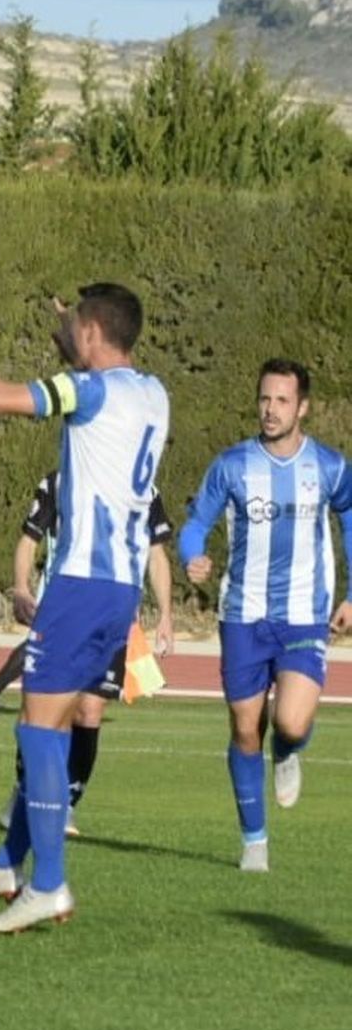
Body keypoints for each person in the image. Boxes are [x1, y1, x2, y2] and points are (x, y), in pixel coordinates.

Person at [0, 285, 169, 933]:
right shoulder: (153, 393)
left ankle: (48, 884)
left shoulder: (88, 392)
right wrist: (62, 328)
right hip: (119, 588)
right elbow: (85, 368)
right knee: (59, 724)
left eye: (75, 325)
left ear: (93, 331)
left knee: (36, 729)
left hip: (79, 582)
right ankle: (8, 863)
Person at [177, 359, 352, 872]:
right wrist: (193, 556)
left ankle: (291, 748)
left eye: (281, 401)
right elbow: (196, 524)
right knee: (245, 729)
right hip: (243, 615)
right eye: (264, 399)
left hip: (303, 614)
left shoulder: (329, 466)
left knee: (290, 721)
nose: (270, 410)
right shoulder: (232, 465)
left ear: (303, 407)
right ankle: (254, 842)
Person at [0, 469, 177, 837]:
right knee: (46, 710)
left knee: (90, 709)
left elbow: (157, 554)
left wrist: (165, 613)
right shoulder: (60, 482)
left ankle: (66, 802)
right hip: (60, 610)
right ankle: (25, 792)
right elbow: (28, 539)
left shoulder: (143, 488)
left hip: (114, 616)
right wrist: (21, 587)